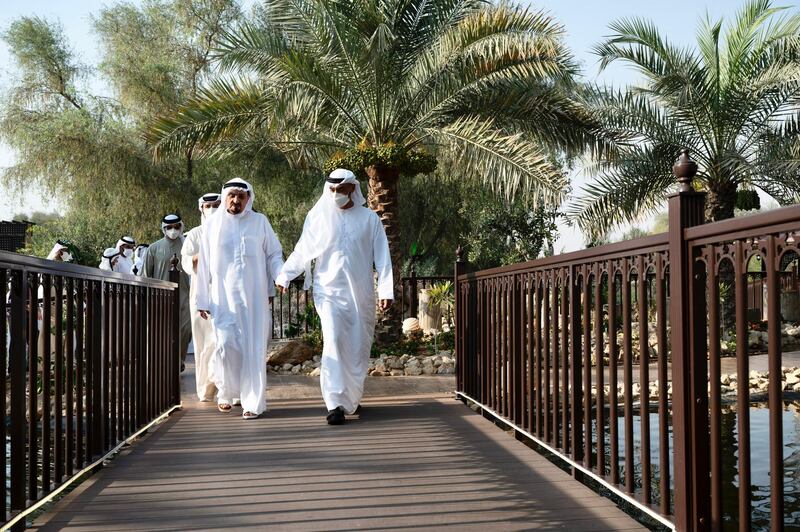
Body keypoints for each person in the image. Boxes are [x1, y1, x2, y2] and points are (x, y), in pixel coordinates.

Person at [275, 168, 393, 425]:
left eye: (341, 189)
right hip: (327, 292)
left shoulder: (369, 219)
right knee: (334, 340)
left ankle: (349, 396)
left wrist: (386, 290)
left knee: (356, 347)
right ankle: (334, 403)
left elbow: (383, 258)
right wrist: (284, 275)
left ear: (352, 188)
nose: (336, 194)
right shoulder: (317, 217)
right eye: (332, 190)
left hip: (360, 294)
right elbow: (302, 250)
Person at [196, 179, 283, 420]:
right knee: (226, 346)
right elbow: (203, 266)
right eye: (232, 196)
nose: (236, 201)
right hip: (222, 300)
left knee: (253, 349)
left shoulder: (260, 222)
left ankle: (252, 402)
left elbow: (274, 253)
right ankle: (227, 392)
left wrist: (280, 276)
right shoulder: (212, 226)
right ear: (225, 197)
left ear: (248, 199)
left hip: (254, 299)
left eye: (241, 197)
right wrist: (202, 299)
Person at [181, 193, 221, 401]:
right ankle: (206, 390)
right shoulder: (195, 235)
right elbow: (186, 261)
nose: (212, 209)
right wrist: (202, 255)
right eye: (208, 205)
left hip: (225, 296)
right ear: (201, 208)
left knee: (223, 342)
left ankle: (226, 387)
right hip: (201, 296)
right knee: (204, 345)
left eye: (216, 205)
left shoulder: (228, 229)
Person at [143, 214, 191, 371]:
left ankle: (179, 360)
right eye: (169, 227)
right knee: (163, 332)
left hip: (185, 295)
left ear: (181, 227)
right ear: (163, 229)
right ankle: (167, 363)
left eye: (176, 227)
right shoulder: (154, 248)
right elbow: (145, 275)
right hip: (160, 297)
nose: (173, 230)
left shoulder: (187, 246)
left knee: (186, 329)